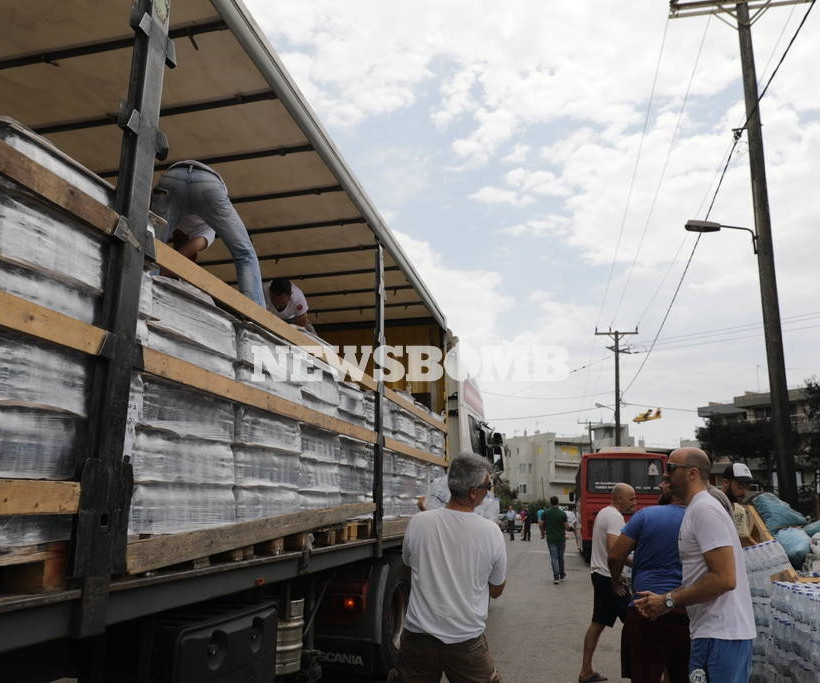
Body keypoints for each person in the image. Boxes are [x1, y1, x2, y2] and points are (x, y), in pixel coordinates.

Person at [635, 448, 756, 683]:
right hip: (717, 634)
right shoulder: (699, 509)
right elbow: (702, 576)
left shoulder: (704, 510)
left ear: (692, 473)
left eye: (670, 468)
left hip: (720, 635)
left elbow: (724, 579)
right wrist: (664, 600)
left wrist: (670, 600)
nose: (665, 474)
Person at [387, 453, 506, 683]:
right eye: (488, 486)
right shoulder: (491, 532)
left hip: (418, 640)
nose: (489, 491)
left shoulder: (419, 522)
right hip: (466, 642)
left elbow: (409, 565)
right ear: (473, 492)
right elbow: (496, 590)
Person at [609, 480, 689, 683]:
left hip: (644, 609)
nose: (660, 485)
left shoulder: (646, 515)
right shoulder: (697, 518)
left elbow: (615, 556)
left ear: (674, 490)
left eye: (666, 482)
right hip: (684, 611)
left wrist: (616, 581)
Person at [155, 160, 265, 306]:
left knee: (151, 243)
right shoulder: (207, 227)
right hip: (207, 183)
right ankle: (254, 314)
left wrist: (163, 270)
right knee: (244, 255)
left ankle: (142, 288)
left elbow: (184, 252)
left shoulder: (206, 231)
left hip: (174, 175)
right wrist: (167, 269)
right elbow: (185, 252)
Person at [578, 483, 635, 683]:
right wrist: (620, 576)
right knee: (636, 623)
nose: (634, 503)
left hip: (600, 574)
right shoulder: (615, 517)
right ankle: (644, 673)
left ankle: (585, 671)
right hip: (609, 577)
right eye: (631, 499)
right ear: (619, 498)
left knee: (598, 623)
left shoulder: (604, 512)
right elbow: (614, 551)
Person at [722, 462, 755, 545]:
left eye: (747, 488)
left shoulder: (740, 510)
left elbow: (743, 538)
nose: (744, 493)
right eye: (740, 487)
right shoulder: (713, 507)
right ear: (726, 483)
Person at [543, 496, 570, 585]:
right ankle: (562, 574)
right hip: (561, 538)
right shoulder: (562, 514)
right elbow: (566, 526)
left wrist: (542, 532)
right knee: (560, 556)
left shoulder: (546, 513)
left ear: (550, 503)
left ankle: (556, 577)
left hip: (550, 539)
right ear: (558, 502)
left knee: (554, 557)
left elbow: (540, 523)